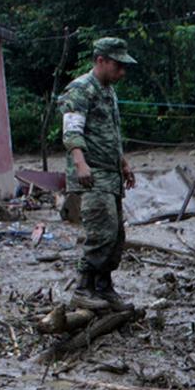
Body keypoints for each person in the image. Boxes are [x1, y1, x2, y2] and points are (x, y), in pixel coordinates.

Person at [59, 37, 137, 312]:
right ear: (101, 61)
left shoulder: (108, 90)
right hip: (92, 175)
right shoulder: (80, 89)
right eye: (118, 65)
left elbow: (110, 134)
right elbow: (71, 131)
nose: (122, 72)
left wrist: (123, 163)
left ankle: (103, 287)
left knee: (116, 236)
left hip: (111, 173)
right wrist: (81, 165)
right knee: (101, 233)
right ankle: (83, 289)